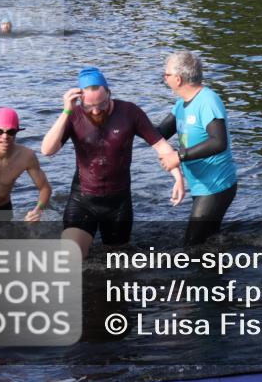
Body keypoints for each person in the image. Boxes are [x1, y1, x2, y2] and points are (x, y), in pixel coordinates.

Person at [41, 67, 184, 258]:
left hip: (119, 203)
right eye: (89, 107)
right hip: (83, 199)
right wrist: (66, 110)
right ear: (80, 100)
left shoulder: (129, 112)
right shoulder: (73, 114)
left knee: (116, 263)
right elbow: (47, 150)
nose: (96, 111)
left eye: (101, 104)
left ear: (109, 94)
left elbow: (161, 146)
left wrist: (178, 177)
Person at [156, 51, 238, 246]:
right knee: (208, 241)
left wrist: (179, 156)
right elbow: (158, 134)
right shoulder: (181, 105)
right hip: (201, 184)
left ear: (178, 79)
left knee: (193, 246)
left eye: (165, 75)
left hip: (216, 185)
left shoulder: (207, 101)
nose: (164, 78)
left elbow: (219, 142)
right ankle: (221, 266)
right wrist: (129, 122)